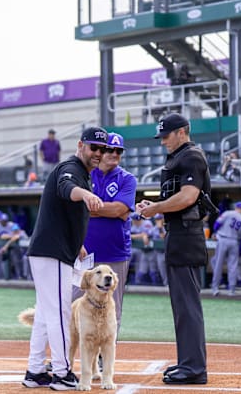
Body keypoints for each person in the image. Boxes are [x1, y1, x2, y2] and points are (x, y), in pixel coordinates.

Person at [22, 126, 106, 390]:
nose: (98, 153)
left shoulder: (83, 172)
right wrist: (87, 194)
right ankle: (61, 373)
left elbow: (64, 213)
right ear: (81, 145)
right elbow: (66, 188)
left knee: (47, 314)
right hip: (52, 253)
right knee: (58, 312)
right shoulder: (71, 168)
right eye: (94, 147)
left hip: (52, 251)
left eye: (101, 149)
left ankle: (35, 371)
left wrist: (77, 243)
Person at [136, 113, 210, 385]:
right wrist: (153, 206)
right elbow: (176, 197)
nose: (163, 141)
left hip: (187, 235)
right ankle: (188, 362)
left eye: (166, 135)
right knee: (181, 306)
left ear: (182, 132)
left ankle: (194, 368)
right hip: (178, 233)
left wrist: (155, 209)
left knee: (187, 306)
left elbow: (188, 197)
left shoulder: (191, 156)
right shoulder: (179, 157)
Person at [78, 132, 136, 332]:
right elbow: (75, 208)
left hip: (115, 252)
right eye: (110, 149)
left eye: (119, 151)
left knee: (112, 309)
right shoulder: (84, 174)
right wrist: (109, 210)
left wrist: (89, 208)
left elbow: (120, 210)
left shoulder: (127, 179)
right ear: (100, 151)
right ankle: (64, 358)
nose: (114, 154)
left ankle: (104, 360)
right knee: (73, 304)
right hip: (84, 251)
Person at [210, 201, 241, 296]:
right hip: (234, 242)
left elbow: (216, 225)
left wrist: (215, 233)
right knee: (233, 266)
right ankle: (231, 290)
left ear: (235, 207)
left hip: (223, 239)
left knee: (218, 264)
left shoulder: (228, 213)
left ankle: (215, 288)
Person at [129, 213, 153, 285]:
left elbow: (146, 234)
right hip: (133, 249)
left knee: (140, 265)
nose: (136, 221)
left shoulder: (147, 223)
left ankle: (137, 281)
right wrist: (139, 236)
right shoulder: (131, 225)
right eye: (135, 219)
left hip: (146, 250)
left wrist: (132, 236)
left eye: (138, 219)